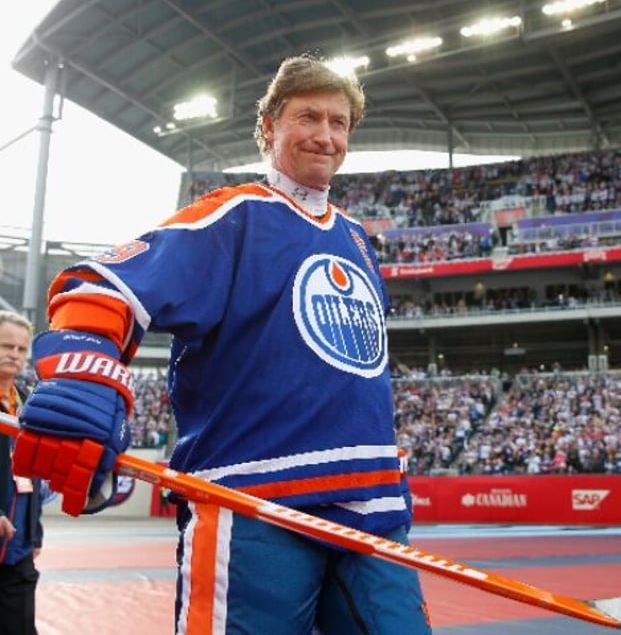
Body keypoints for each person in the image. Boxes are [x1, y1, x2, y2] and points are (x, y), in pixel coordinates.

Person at [12, 54, 432, 634]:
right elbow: (100, 285)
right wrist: (84, 371)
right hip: (256, 503)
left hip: (375, 507)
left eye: (339, 123)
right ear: (269, 127)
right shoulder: (234, 215)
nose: (326, 135)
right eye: (308, 117)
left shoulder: (358, 237)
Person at [0, 311, 43, 635]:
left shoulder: (29, 405)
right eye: (6, 346)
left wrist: (35, 531)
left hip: (18, 545)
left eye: (20, 348)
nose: (14, 354)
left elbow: (36, 475)